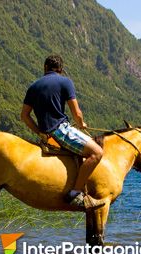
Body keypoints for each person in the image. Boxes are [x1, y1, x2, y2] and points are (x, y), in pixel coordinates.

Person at [21, 55, 104, 210]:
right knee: (97, 152)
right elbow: (77, 114)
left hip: (46, 133)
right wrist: (81, 124)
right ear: (60, 69)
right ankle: (76, 193)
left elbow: (24, 116)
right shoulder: (65, 82)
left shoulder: (33, 86)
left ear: (45, 68)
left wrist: (39, 132)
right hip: (60, 130)